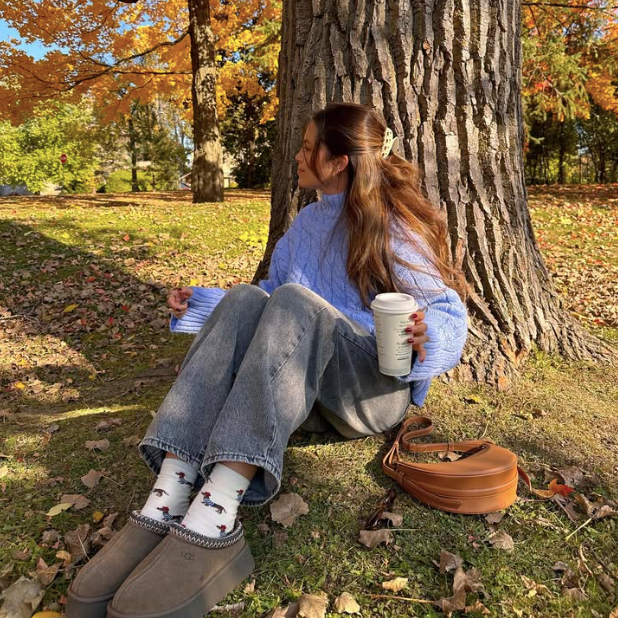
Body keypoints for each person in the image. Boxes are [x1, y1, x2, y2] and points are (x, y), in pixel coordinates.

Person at [66, 103, 468, 618]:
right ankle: (169, 494)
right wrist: (203, 304)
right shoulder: (305, 223)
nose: (296, 157)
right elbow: (268, 295)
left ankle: (217, 511)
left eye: (307, 148)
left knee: (298, 301)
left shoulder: (392, 225)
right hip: (303, 393)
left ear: (340, 160)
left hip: (369, 391)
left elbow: (445, 308)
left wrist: (427, 337)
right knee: (244, 298)